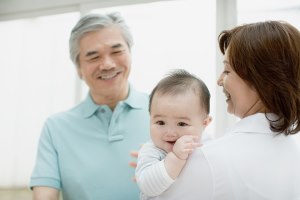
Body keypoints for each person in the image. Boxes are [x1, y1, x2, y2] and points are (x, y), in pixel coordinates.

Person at [151, 21, 300, 200]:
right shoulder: (294, 151)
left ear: (264, 82)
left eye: (227, 71)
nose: (220, 80)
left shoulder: (208, 160)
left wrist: (153, 177)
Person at [30, 12, 150, 200]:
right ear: (79, 69)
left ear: (130, 53)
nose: (107, 64)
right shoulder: (56, 128)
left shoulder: (167, 112)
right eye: (93, 57)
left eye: (117, 51)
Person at [135, 69, 212, 199]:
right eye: (160, 122)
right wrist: (176, 158)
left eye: (181, 124)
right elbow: (147, 186)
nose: (169, 133)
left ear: (204, 123)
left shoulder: (208, 144)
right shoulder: (152, 151)